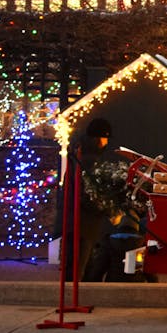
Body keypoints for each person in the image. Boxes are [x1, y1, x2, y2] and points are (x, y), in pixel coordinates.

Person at [62, 117, 114, 280]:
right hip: (83, 224)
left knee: (79, 267)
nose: (106, 142)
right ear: (99, 139)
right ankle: (74, 300)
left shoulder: (79, 155)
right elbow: (88, 194)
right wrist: (109, 210)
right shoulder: (89, 161)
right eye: (105, 138)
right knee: (79, 268)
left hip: (78, 222)